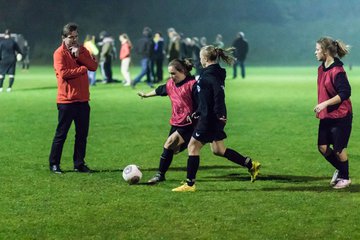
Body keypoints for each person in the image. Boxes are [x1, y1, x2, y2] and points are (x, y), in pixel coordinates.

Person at [172, 45, 261, 192]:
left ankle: (189, 184)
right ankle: (251, 165)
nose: (200, 60)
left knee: (192, 147)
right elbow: (207, 97)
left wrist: (219, 115)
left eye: (201, 57)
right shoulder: (213, 73)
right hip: (211, 115)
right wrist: (199, 111)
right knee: (219, 149)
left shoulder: (210, 76)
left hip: (211, 118)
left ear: (206, 58)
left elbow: (218, 95)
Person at [49, 23, 98, 174]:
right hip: (66, 101)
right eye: (71, 37)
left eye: (76, 36)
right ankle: (54, 164)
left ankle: (79, 164)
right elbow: (64, 73)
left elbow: (94, 66)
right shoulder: (59, 53)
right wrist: (82, 69)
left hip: (83, 100)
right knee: (61, 134)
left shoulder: (82, 50)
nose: (75, 39)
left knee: (82, 135)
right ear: (63, 38)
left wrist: (81, 56)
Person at [138, 59, 197, 183]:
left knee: (168, 144)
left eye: (174, 73)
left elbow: (202, 103)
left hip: (189, 123)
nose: (171, 76)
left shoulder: (192, 85)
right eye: (170, 73)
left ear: (183, 71)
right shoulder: (170, 84)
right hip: (176, 122)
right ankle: (187, 144)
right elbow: (160, 90)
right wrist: (146, 95)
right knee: (172, 150)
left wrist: (194, 115)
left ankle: (160, 175)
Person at [314, 37, 352, 189]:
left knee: (338, 149)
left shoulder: (338, 71)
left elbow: (345, 93)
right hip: (327, 115)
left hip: (341, 115)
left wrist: (324, 103)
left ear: (325, 51)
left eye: (317, 49)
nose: (315, 52)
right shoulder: (321, 68)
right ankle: (340, 170)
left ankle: (345, 177)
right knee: (322, 147)